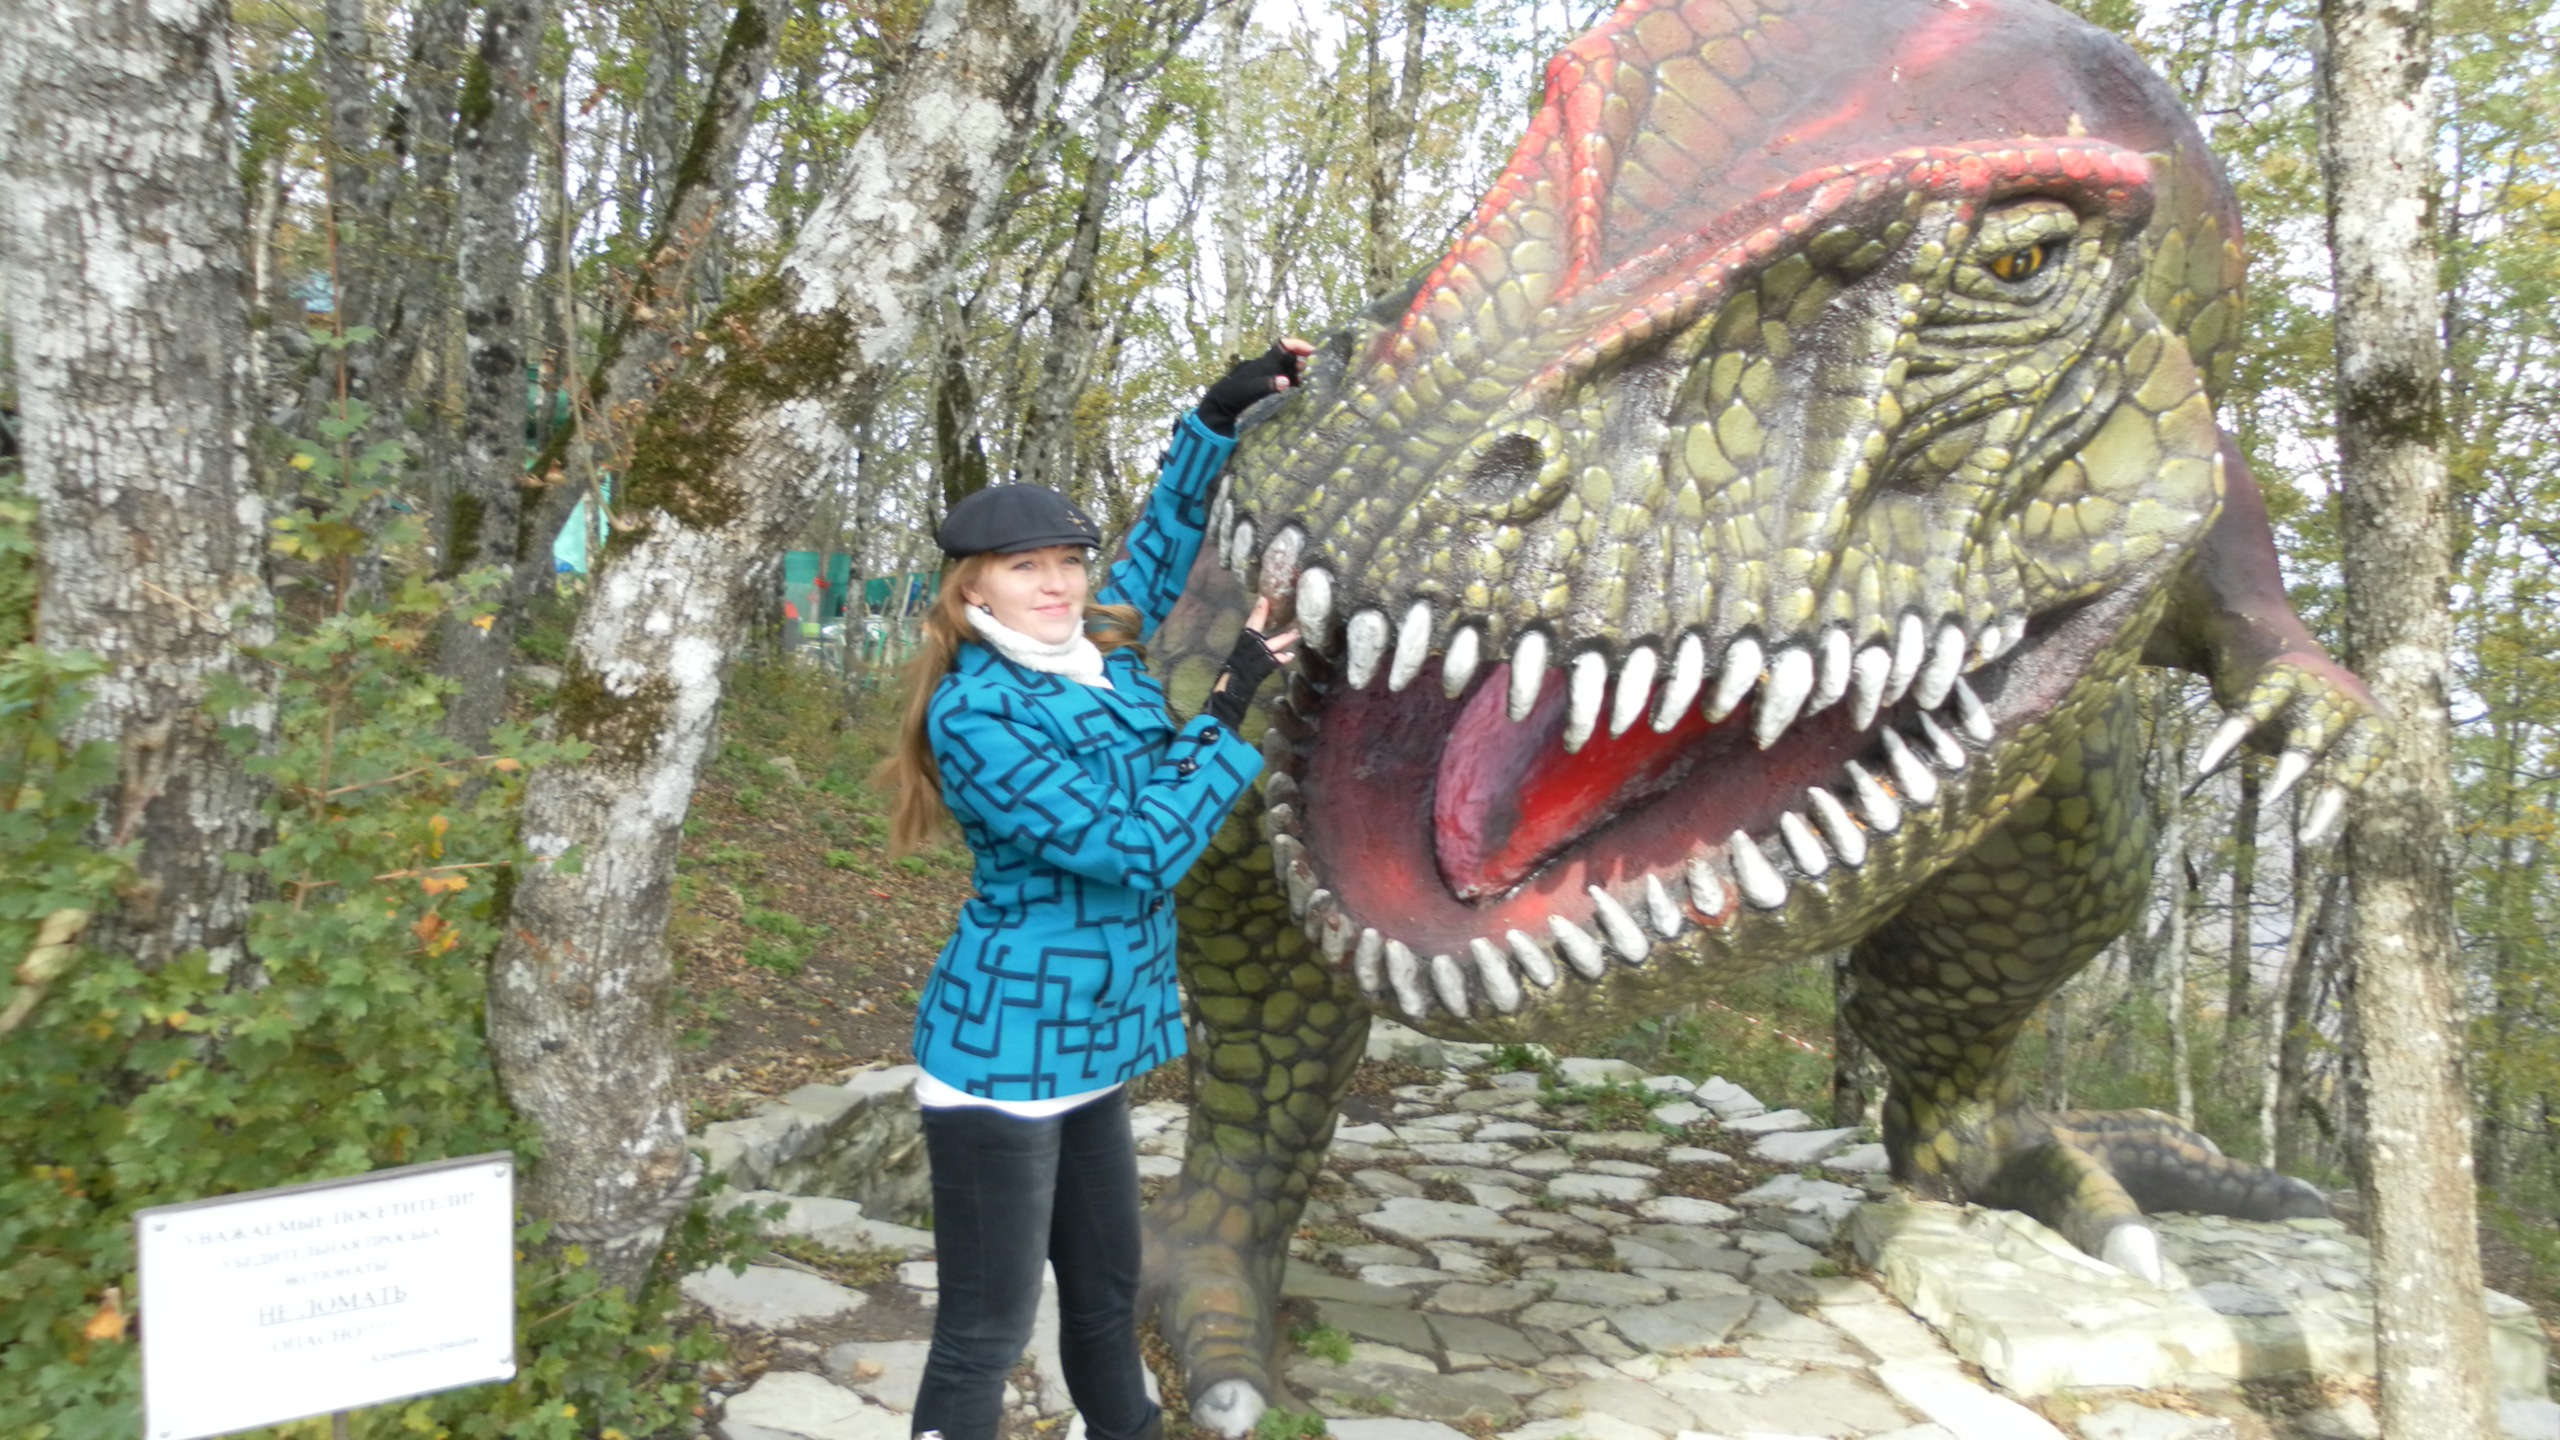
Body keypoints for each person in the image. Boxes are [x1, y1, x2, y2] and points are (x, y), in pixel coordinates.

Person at [878, 338, 1314, 1440]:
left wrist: (1216, 417)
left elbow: (1162, 546)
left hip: (1093, 1044)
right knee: (984, 1332)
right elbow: (1136, 850)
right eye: (1026, 567)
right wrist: (1228, 705)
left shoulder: (1098, 658)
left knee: (1107, 1295)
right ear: (972, 587)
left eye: (1069, 561)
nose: (1059, 583)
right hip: (1004, 1056)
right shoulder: (977, 713)